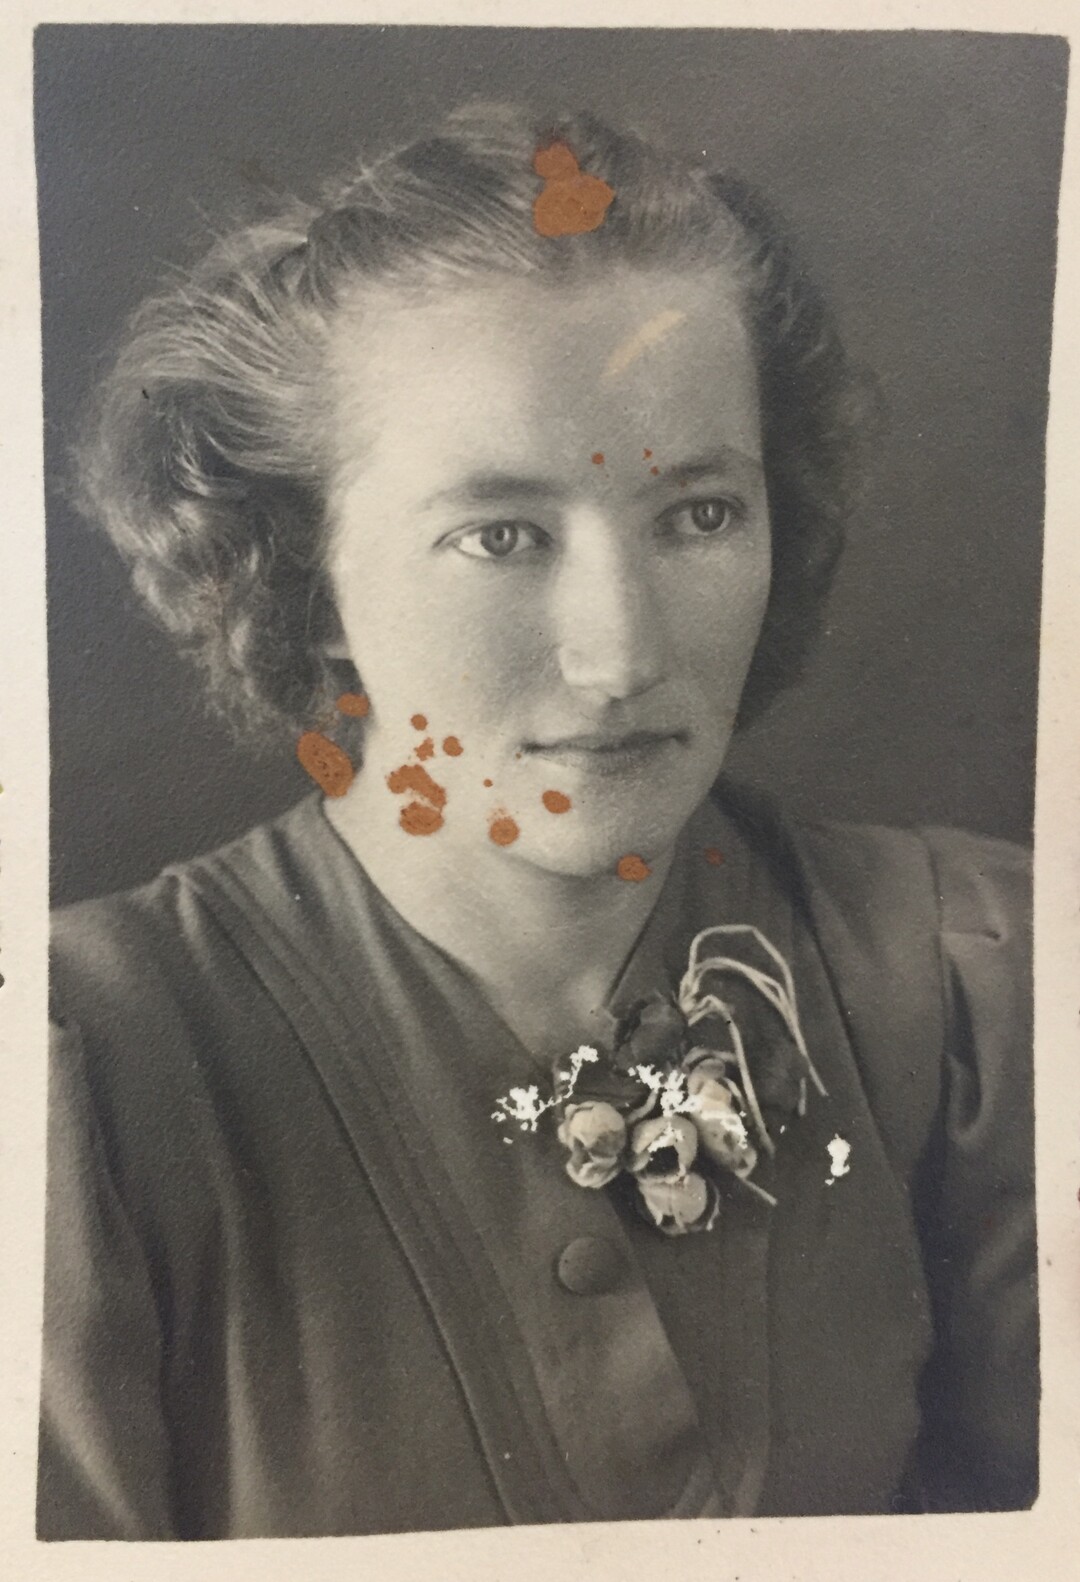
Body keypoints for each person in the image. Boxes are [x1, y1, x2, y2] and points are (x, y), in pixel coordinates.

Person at [37, 102, 1038, 1540]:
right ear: (305, 574)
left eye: (699, 515)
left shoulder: (974, 989)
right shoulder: (86, 1081)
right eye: (499, 536)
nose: (621, 653)